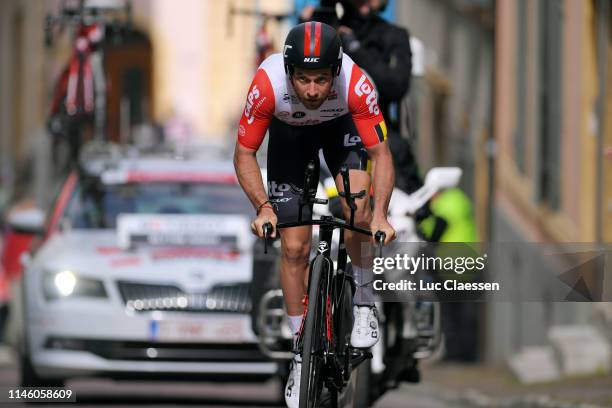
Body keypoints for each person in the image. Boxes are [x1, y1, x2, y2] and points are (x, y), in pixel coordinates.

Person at [233, 22, 396, 407]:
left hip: (341, 129)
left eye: (321, 80)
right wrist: (263, 207)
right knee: (293, 247)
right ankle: (298, 353)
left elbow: (381, 155)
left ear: (335, 73)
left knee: (358, 206)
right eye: (303, 79)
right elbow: (244, 154)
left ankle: (362, 303)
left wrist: (382, 216)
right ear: (289, 72)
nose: (311, 90)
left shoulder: (357, 85)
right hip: (290, 137)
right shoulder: (267, 85)